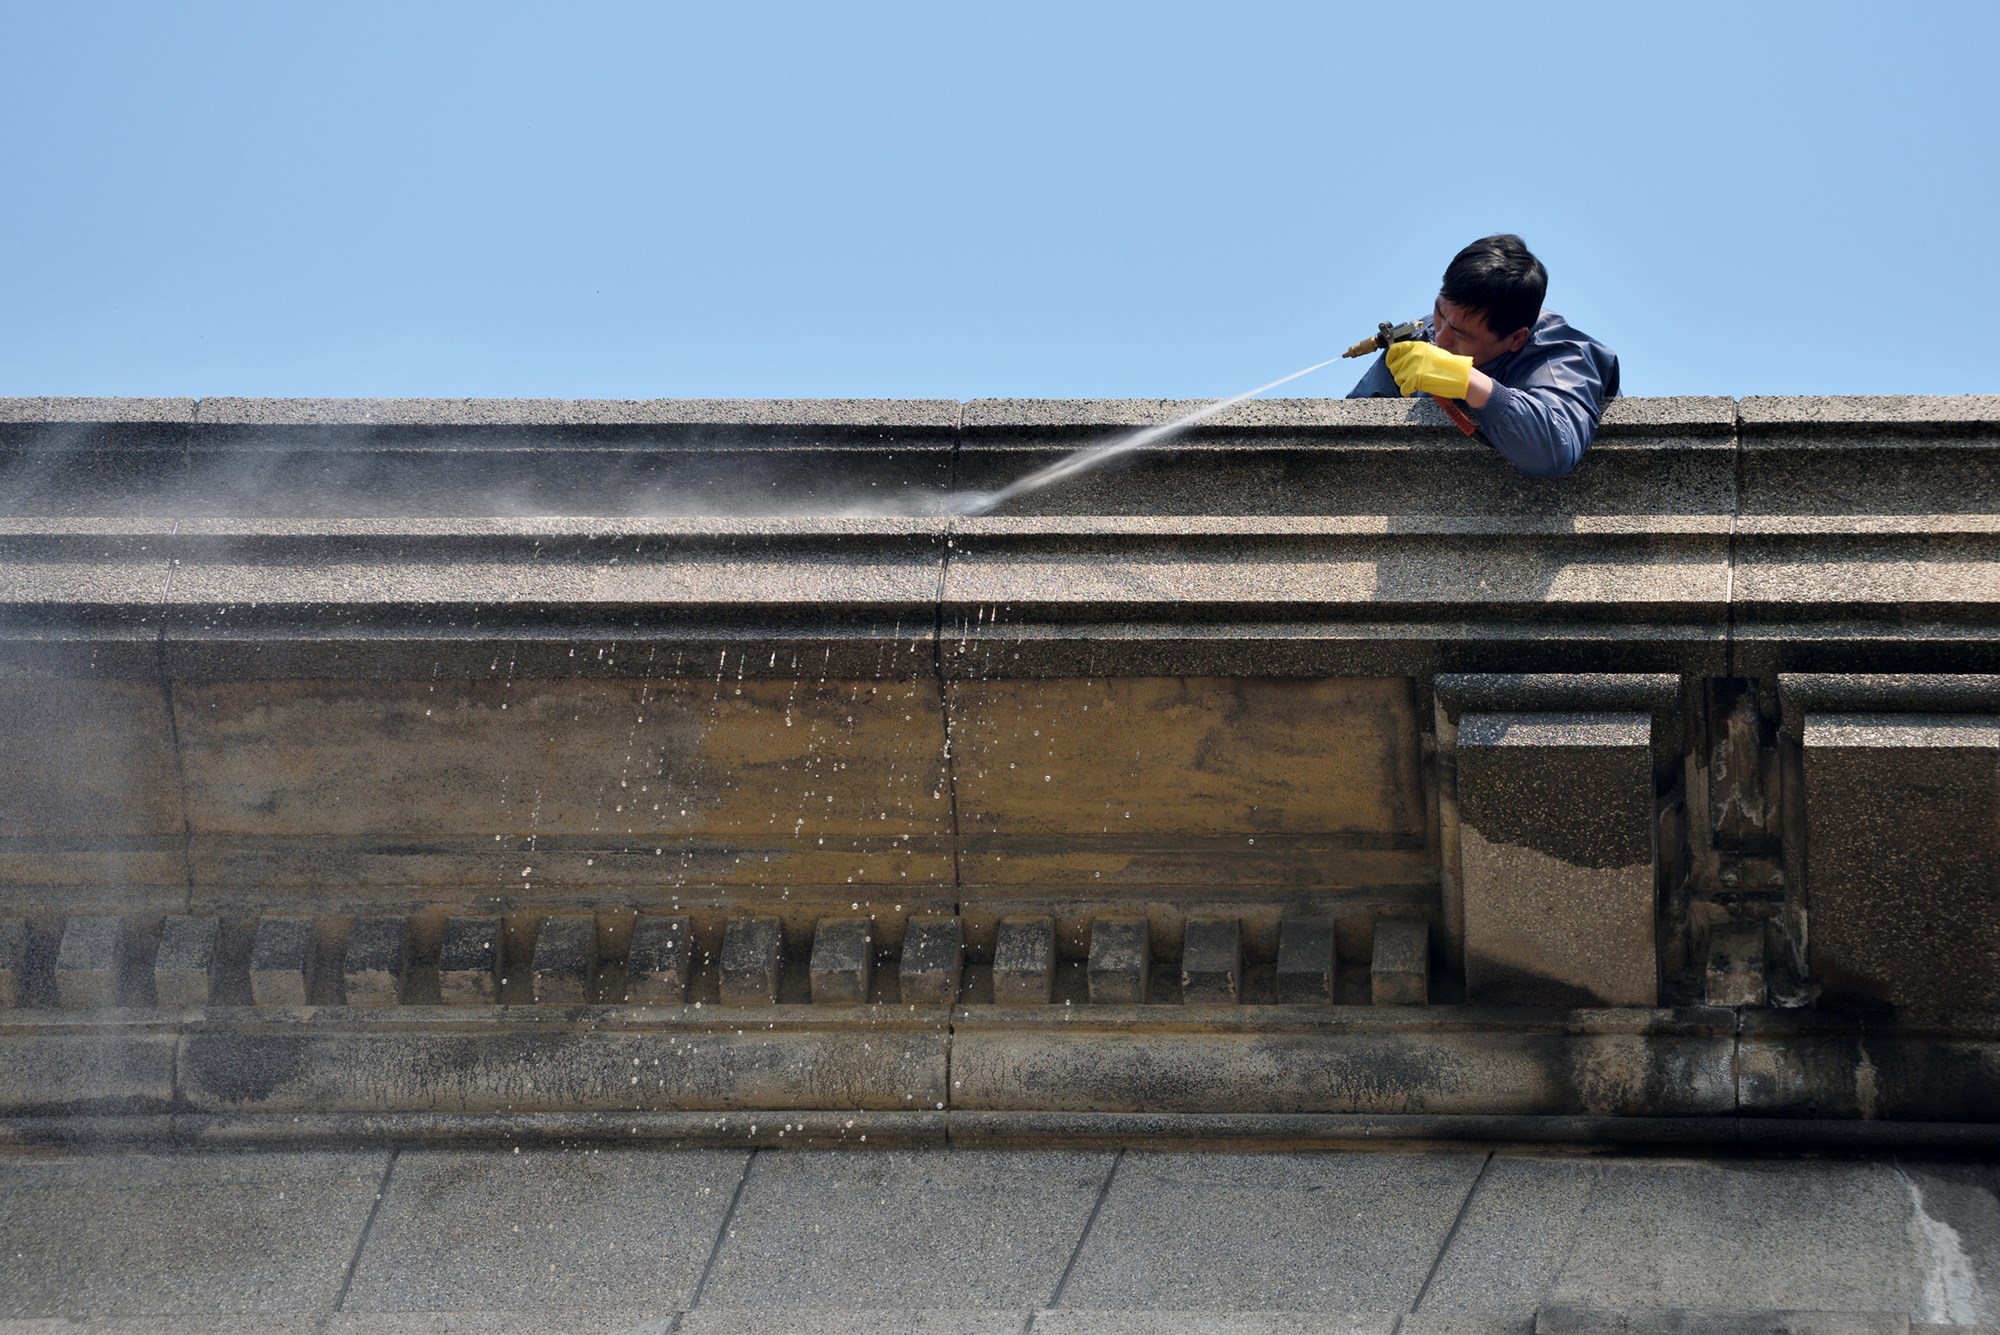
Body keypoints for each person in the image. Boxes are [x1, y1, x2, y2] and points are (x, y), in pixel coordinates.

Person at [1347, 234, 1618, 478]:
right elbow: (1351, 431)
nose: (1440, 338)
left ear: (1516, 339)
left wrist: (1467, 381)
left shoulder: (1562, 356)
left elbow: (1555, 448)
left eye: (1461, 334)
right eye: (1440, 313)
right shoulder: (1424, 336)